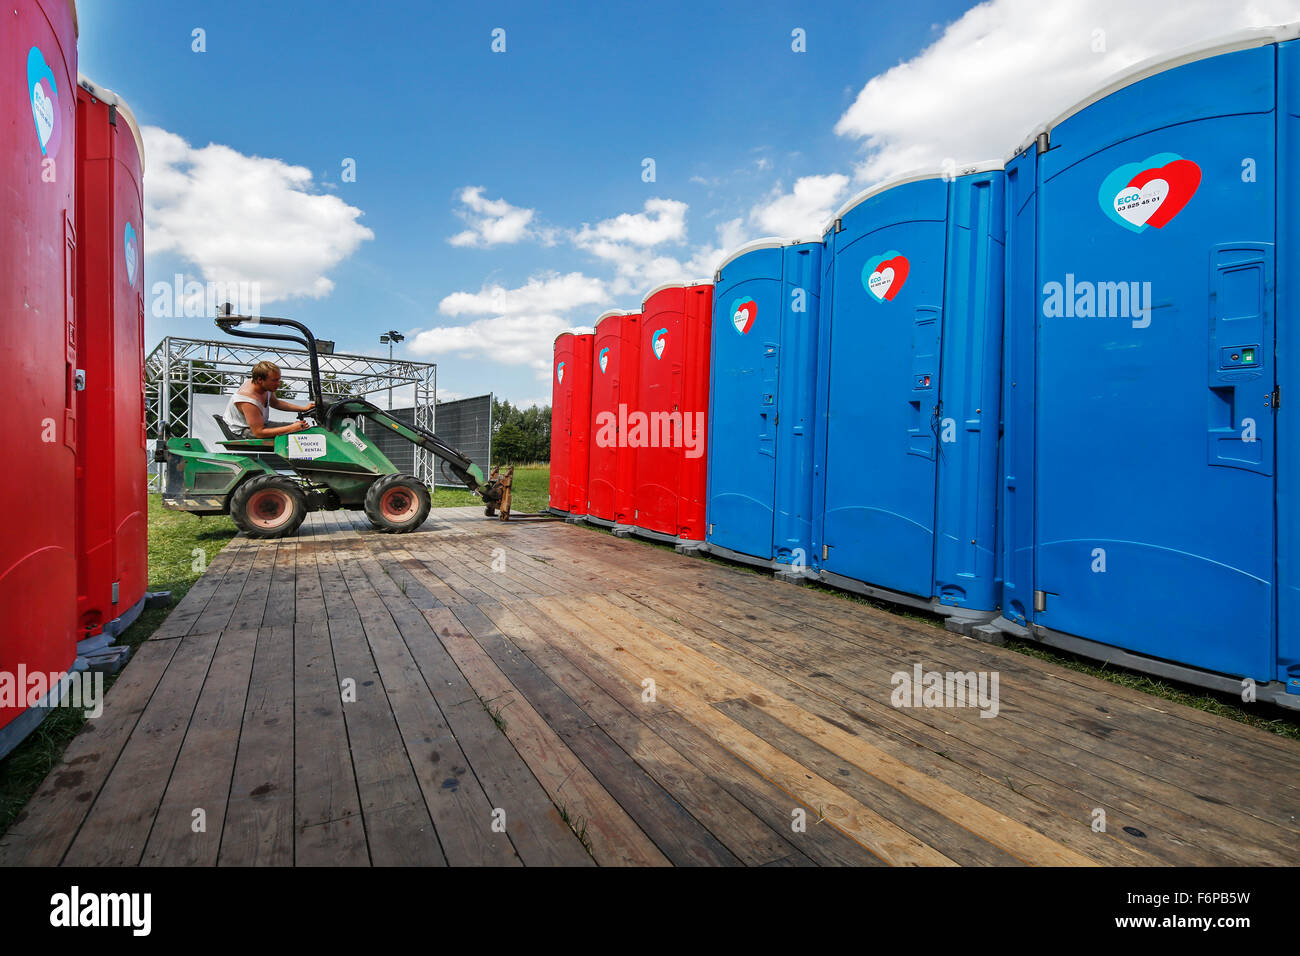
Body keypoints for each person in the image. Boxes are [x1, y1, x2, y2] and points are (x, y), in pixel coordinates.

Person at [221, 360, 316, 438]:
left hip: (260, 426)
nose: (278, 383)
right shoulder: (247, 400)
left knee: (303, 429)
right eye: (274, 380)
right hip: (243, 431)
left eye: (279, 379)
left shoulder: (265, 386)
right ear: (259, 380)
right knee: (295, 432)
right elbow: (259, 432)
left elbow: (276, 403)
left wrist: (304, 408)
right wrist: (291, 428)